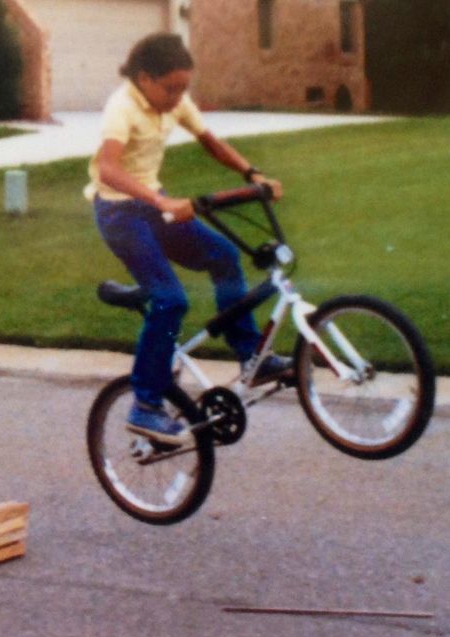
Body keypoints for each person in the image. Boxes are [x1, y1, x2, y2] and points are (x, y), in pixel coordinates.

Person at [86, 33, 292, 439]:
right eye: (171, 88)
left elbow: (209, 140)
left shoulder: (173, 100)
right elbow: (108, 170)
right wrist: (159, 201)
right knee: (170, 300)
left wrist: (252, 174)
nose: (179, 97)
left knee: (223, 256)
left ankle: (251, 355)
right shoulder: (121, 107)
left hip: (151, 203)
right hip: (119, 213)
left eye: (184, 88)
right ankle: (145, 405)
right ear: (144, 78)